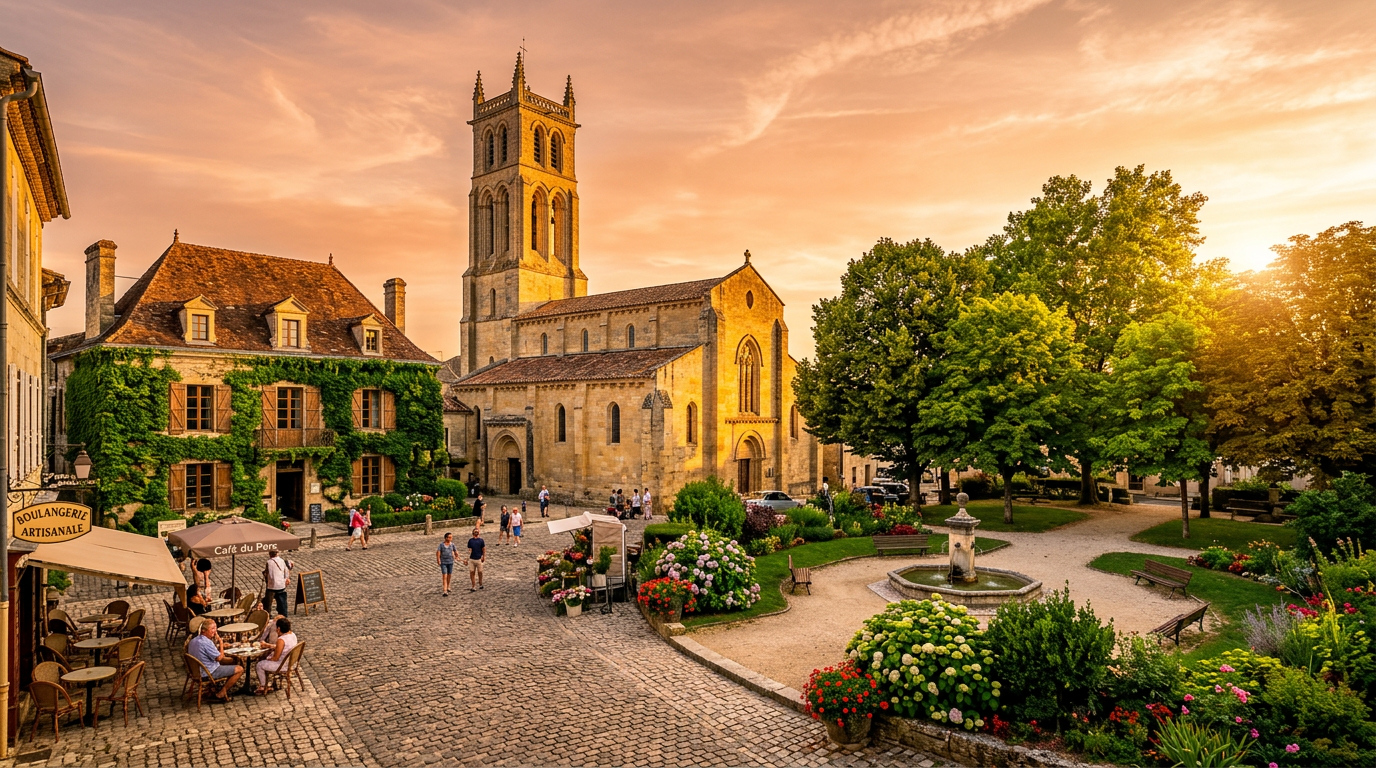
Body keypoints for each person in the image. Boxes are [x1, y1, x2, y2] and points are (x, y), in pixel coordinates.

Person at [187, 620, 243, 699]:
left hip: (195, 672)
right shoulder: (206, 642)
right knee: (239, 669)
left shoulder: (193, 641)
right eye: (212, 629)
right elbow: (219, 658)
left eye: (215, 628)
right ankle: (222, 693)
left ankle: (214, 688)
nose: (215, 631)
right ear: (204, 630)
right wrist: (221, 643)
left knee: (229, 661)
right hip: (208, 673)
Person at [252, 617, 299, 695]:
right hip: (291, 662)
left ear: (278, 629)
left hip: (282, 665)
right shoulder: (292, 635)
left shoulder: (281, 639)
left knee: (259, 665)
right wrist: (268, 645)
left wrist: (267, 658)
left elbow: (275, 658)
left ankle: (264, 686)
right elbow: (283, 647)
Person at [262, 549, 293, 616]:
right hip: (281, 585)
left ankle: (267, 614)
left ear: (270, 554)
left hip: (271, 586)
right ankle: (283, 614)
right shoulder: (282, 561)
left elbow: (268, 574)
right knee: (282, 601)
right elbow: (286, 571)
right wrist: (285, 579)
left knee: (268, 602)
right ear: (277, 554)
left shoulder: (269, 562)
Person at [466, 527, 486, 592]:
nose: (476, 533)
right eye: (475, 532)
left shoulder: (481, 540)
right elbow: (469, 550)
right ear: (473, 533)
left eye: (477, 532)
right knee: (472, 572)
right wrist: (467, 559)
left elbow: (483, 549)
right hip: (472, 559)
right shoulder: (470, 541)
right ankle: (473, 585)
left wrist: (483, 556)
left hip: (479, 558)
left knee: (480, 571)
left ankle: (480, 582)